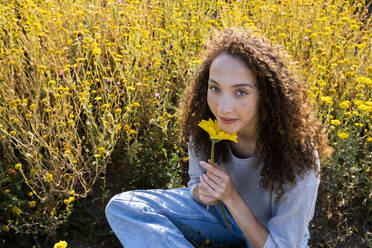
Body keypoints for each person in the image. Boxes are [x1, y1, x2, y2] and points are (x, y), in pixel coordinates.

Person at [105, 27, 332, 248]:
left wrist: (231, 197)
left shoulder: (298, 153)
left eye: (240, 92)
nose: (223, 108)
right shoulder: (207, 127)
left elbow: (280, 245)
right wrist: (201, 192)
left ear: (267, 96)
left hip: (271, 234)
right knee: (124, 207)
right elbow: (195, 182)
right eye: (215, 88)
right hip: (220, 217)